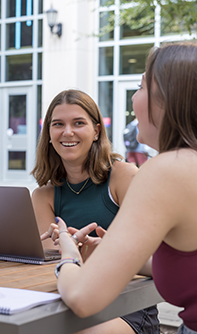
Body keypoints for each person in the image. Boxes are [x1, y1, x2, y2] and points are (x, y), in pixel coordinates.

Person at [54, 43, 197, 334]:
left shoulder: (167, 170)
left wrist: (68, 255)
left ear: (167, 100)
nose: (133, 98)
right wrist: (121, 255)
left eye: (141, 86)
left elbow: (82, 297)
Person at [31, 89, 159, 333]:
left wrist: (86, 250)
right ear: (48, 133)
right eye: (58, 124)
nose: (67, 132)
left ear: (96, 131)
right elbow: (49, 264)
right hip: (67, 303)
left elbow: (156, 254)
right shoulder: (43, 196)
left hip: (125, 307)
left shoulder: (123, 175)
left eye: (78, 123)